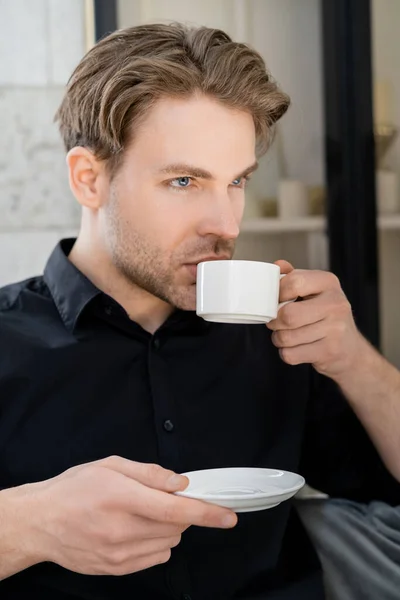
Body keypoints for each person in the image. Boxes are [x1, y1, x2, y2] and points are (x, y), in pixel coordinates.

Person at [0, 22, 399, 600]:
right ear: (89, 178)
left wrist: (354, 360)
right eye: (185, 181)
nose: (228, 224)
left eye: (236, 181)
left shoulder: (278, 337)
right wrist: (28, 525)